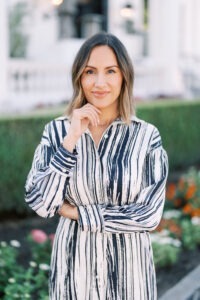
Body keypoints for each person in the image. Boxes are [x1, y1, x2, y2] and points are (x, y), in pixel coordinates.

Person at [25, 32, 168, 300]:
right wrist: (70, 141)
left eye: (110, 71)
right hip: (73, 275)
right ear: (79, 76)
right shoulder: (57, 132)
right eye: (90, 71)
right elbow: (41, 203)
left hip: (130, 277)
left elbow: (149, 215)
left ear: (124, 76)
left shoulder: (146, 136)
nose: (99, 82)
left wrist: (77, 213)